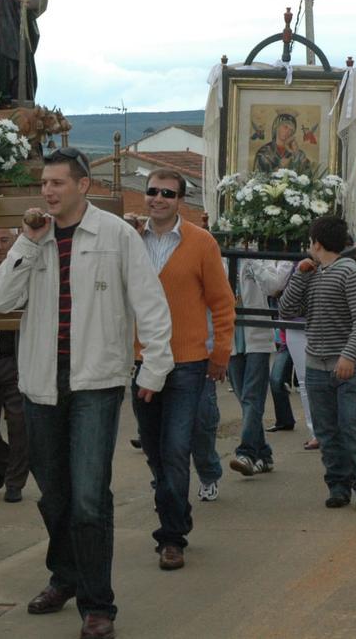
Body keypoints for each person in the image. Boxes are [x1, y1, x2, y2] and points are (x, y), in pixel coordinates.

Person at [0, 148, 174, 639]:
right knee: (54, 496)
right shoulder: (36, 239)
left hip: (96, 381)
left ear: (83, 185)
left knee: (90, 498)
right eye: (44, 183)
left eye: (57, 183)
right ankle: (64, 577)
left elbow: (150, 303)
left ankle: (98, 606)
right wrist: (27, 244)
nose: (48, 191)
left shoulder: (116, 236)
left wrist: (155, 365)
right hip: (40, 384)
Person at [131, 170, 234, 570]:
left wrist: (220, 352)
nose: (157, 198)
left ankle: (171, 537)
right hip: (141, 360)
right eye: (152, 191)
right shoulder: (131, 241)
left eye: (167, 194)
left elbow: (222, 302)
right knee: (154, 450)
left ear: (180, 201)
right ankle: (175, 513)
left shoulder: (201, 243)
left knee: (176, 448)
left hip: (188, 363)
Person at [280, 216, 356, 511]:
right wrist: (300, 275)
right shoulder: (312, 273)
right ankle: (338, 485)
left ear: (316, 244)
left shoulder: (349, 272)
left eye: (310, 243)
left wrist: (349, 355)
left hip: (349, 366)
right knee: (326, 431)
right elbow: (287, 310)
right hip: (316, 365)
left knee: (353, 427)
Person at [228, 252, 291, 478]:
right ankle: (264, 454)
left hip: (256, 336)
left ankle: (246, 453)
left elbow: (274, 287)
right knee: (244, 399)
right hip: (229, 338)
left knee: (252, 398)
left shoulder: (259, 258)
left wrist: (251, 258)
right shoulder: (218, 257)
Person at [0, 227, 29, 504]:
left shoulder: (22, 267)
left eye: (5, 240)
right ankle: (3, 461)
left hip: (16, 356)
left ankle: (15, 482)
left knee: (18, 422)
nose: (0, 247)